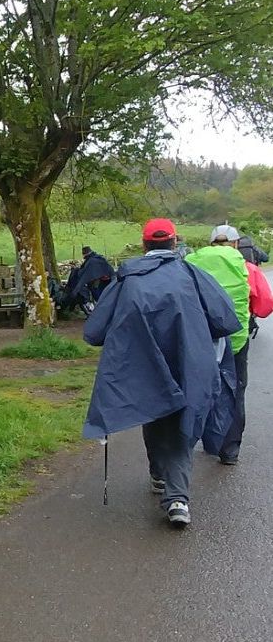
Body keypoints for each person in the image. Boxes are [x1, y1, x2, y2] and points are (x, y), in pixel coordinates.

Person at [83, 218, 240, 527]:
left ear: (144, 246)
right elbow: (225, 319)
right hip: (189, 363)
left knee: (154, 411)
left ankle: (160, 477)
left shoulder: (126, 279)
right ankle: (177, 498)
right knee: (185, 420)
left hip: (144, 366)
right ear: (174, 242)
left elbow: (94, 331)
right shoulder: (192, 275)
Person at [186, 225, 251, 465]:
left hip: (201, 340)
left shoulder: (192, 263)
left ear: (210, 242)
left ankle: (194, 442)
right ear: (235, 244)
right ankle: (229, 451)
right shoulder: (247, 267)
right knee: (235, 391)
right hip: (235, 340)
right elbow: (265, 304)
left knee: (199, 389)